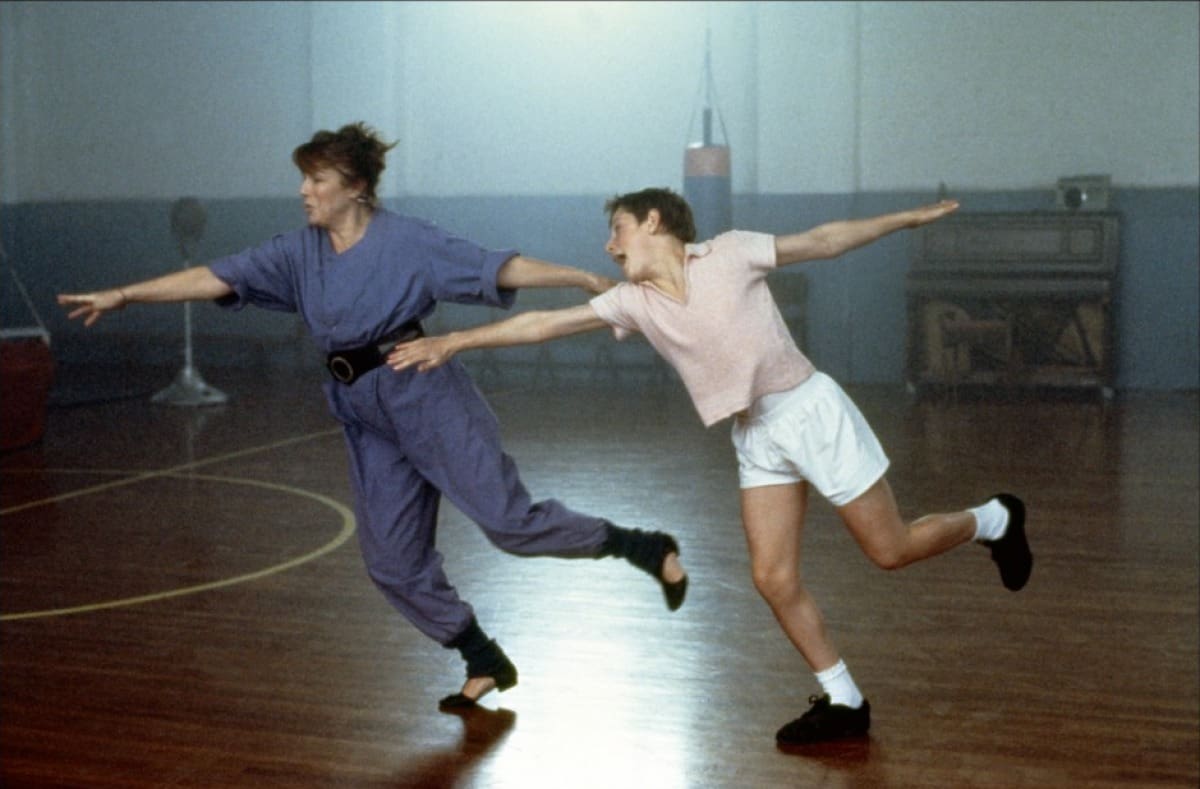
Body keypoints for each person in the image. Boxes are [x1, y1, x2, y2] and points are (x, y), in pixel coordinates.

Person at [57, 125, 688, 712]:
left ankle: (640, 546)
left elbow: (496, 265)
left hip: (423, 391)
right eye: (303, 180)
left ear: (354, 187)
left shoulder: (408, 241)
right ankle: (482, 657)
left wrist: (582, 277)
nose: (304, 192)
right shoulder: (297, 251)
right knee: (391, 561)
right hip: (360, 409)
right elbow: (214, 275)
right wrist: (124, 294)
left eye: (317, 181)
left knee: (508, 524)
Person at [386, 187, 1033, 744]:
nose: (610, 247)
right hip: (755, 435)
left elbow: (826, 239)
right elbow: (545, 325)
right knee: (773, 577)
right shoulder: (635, 302)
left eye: (617, 230)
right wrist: (454, 339)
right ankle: (844, 700)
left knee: (890, 550)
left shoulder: (729, 253)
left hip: (808, 410)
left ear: (653, 222)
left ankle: (996, 519)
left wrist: (907, 220)